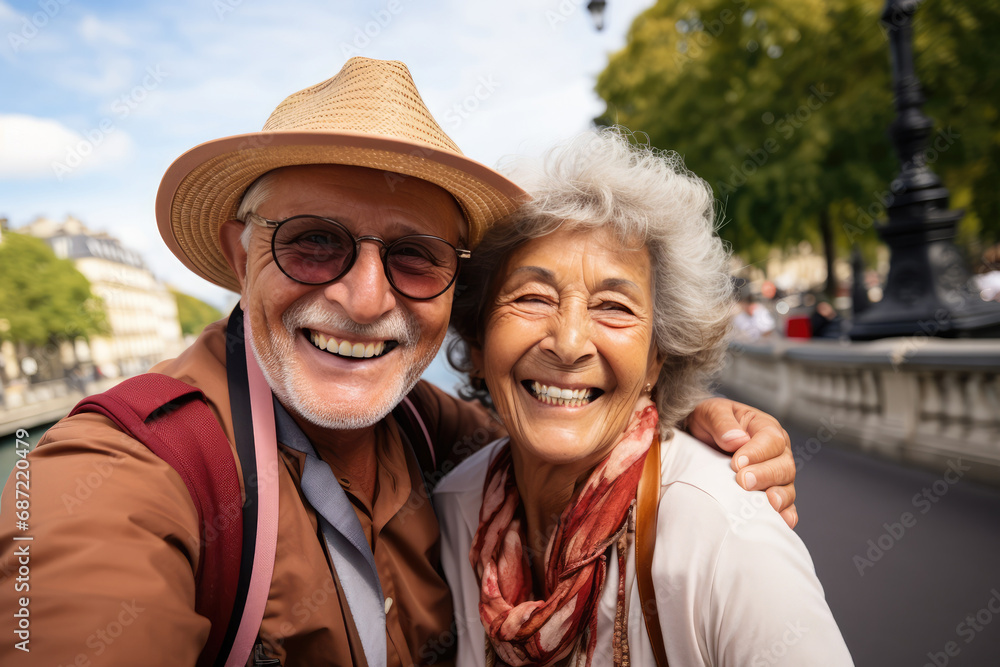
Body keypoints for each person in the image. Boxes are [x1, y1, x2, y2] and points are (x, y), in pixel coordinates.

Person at [0, 59, 798, 666]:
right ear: (240, 251)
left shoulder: (432, 429)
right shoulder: (115, 472)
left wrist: (691, 420)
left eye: (415, 257)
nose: (365, 296)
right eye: (314, 241)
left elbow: (557, 416)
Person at [436, 130, 853, 666]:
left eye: (613, 306)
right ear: (476, 342)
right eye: (533, 297)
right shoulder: (455, 509)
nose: (568, 343)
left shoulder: (723, 534)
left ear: (658, 356)